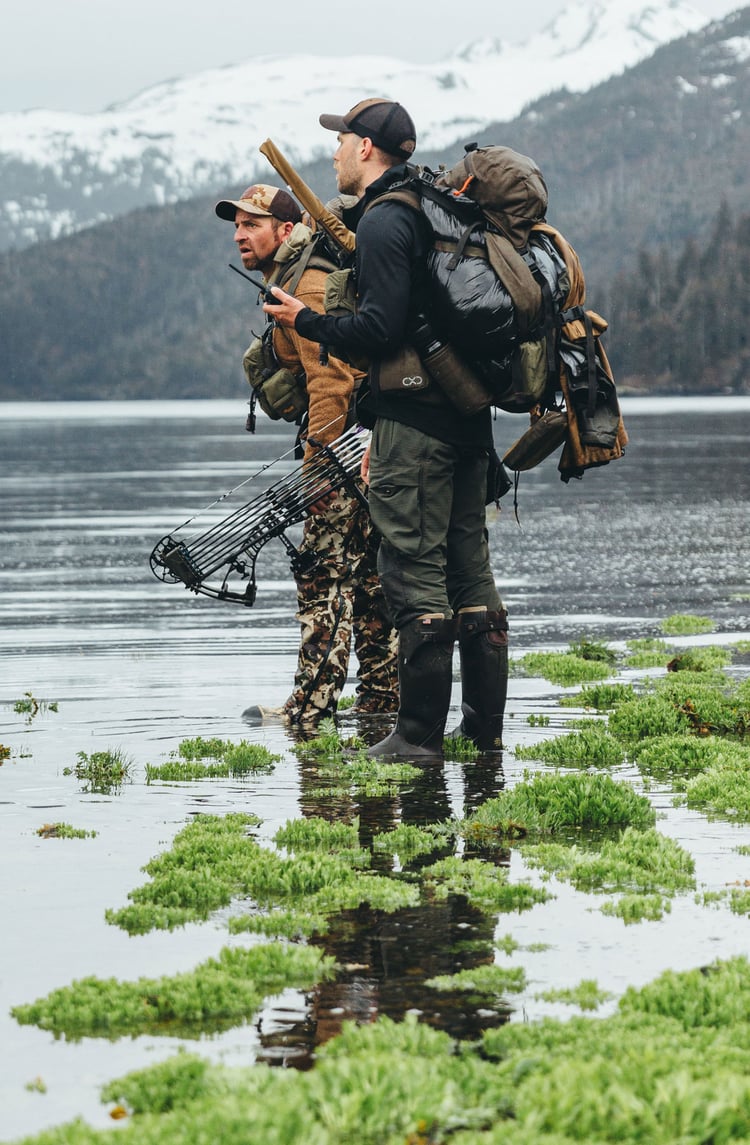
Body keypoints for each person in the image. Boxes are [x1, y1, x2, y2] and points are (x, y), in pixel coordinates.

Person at [263, 100, 509, 758]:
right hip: (469, 421)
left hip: (414, 423)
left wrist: (303, 320)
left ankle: (417, 738)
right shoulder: (436, 208)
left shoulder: (382, 220)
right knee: (471, 572)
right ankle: (483, 734)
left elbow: (380, 331)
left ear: (367, 148)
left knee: (410, 572)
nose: (337, 152)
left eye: (342, 140)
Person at [215, 182, 398, 724]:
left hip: (343, 459)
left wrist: (320, 473)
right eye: (238, 225)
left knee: (321, 575)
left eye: (253, 224)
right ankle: (384, 701)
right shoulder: (296, 277)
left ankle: (310, 705)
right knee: (366, 581)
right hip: (368, 455)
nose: (240, 234)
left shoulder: (310, 284)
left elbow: (334, 382)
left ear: (287, 230)